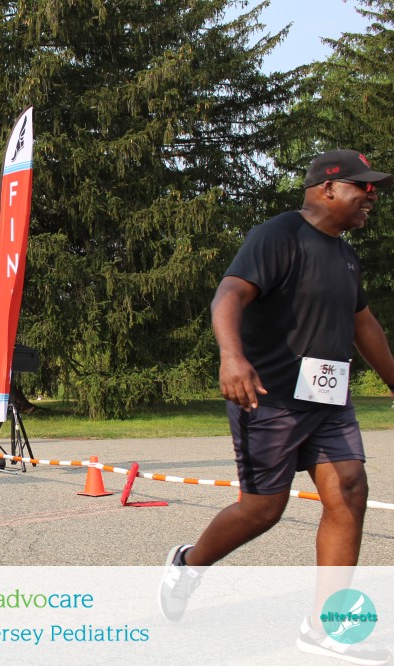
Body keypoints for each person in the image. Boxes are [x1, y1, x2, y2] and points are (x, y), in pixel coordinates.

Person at [159, 150, 394, 665]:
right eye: (363, 187)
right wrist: (232, 357)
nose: (372, 196)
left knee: (350, 489)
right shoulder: (278, 235)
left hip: (329, 402)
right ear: (327, 189)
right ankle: (189, 564)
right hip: (269, 398)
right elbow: (228, 294)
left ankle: (324, 628)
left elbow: (363, 325)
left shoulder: (345, 256)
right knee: (263, 509)